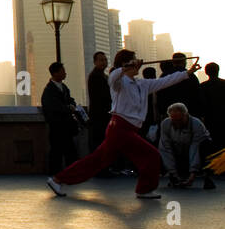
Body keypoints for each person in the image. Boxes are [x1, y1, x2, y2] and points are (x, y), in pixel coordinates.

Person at [47, 49, 190, 200]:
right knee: (151, 155)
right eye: (133, 61)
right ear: (126, 64)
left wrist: (187, 73)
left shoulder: (142, 84)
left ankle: (57, 180)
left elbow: (165, 81)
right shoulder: (118, 83)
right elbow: (114, 74)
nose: (137, 65)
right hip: (120, 129)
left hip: (124, 130)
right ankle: (144, 189)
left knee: (96, 161)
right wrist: (126, 67)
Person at [40, 62, 83, 176]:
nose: (65, 73)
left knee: (68, 151)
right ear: (55, 73)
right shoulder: (49, 90)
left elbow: (70, 99)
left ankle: (69, 173)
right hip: (57, 127)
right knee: (57, 152)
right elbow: (54, 108)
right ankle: (57, 175)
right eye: (62, 71)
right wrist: (69, 108)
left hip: (65, 127)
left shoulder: (63, 87)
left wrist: (71, 104)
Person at [158, 103, 213, 189]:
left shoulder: (196, 124)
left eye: (179, 120)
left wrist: (192, 174)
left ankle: (208, 177)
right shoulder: (165, 124)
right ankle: (174, 177)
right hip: (179, 149)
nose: (177, 123)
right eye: (174, 120)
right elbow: (165, 148)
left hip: (197, 149)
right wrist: (173, 173)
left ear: (185, 115)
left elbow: (194, 148)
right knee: (161, 148)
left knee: (205, 145)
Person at [86, 51, 113, 161]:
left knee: (103, 142)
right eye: (101, 60)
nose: (104, 62)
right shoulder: (95, 76)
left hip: (103, 115)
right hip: (99, 116)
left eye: (105, 60)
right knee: (99, 142)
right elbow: (102, 97)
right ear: (95, 62)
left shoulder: (103, 76)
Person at [199, 62, 225, 158]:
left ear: (206, 72)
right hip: (223, 118)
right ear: (218, 70)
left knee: (212, 142)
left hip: (209, 119)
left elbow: (201, 104)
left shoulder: (202, 86)